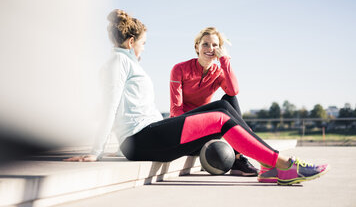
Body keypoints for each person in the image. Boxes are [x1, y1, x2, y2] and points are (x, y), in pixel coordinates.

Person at [65, 9, 329, 186]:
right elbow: (108, 105)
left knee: (224, 105)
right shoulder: (118, 63)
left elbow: (135, 110)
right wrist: (95, 151)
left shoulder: (128, 64)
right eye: (143, 43)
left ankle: (271, 166)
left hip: (149, 133)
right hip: (141, 139)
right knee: (218, 117)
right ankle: (282, 165)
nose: (144, 49)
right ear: (130, 41)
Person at [169, 27, 258, 177]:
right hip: (182, 130)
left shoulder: (218, 72)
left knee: (229, 99)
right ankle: (247, 139)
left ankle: (238, 159)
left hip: (205, 131)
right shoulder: (180, 69)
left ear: (220, 49)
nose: (210, 48)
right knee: (222, 107)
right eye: (205, 44)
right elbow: (175, 110)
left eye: (215, 45)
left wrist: (225, 60)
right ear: (197, 47)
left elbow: (233, 91)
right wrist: (195, 128)